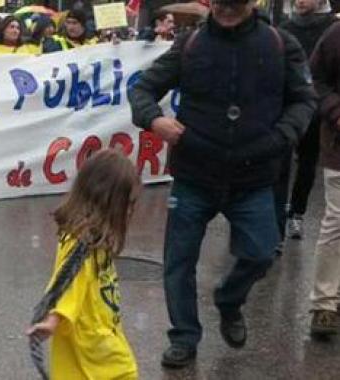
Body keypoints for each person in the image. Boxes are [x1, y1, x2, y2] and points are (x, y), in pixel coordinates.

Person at [129, 0, 316, 368]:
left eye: (236, 2)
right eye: (221, 2)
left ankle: (229, 301)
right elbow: (142, 90)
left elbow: (304, 100)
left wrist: (281, 137)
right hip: (194, 175)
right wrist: (154, 121)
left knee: (261, 252)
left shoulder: (280, 44)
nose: (228, 9)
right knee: (178, 263)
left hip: (254, 176)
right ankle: (184, 337)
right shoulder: (190, 44)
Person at [25, 150, 139, 380]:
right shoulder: (80, 243)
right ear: (107, 201)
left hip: (104, 337)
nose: (129, 211)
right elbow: (68, 283)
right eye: (126, 204)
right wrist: (54, 319)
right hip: (95, 347)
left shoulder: (94, 239)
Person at [280, 0, 337, 241]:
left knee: (307, 162)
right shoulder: (284, 29)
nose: (300, 1)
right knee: (279, 162)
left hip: (316, 110)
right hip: (284, 108)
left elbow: (323, 75)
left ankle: (297, 213)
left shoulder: (332, 28)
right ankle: (274, 219)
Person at [306, 18, 340, 338]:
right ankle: (325, 304)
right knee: (338, 221)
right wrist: (335, 111)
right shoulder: (335, 35)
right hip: (339, 148)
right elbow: (315, 78)